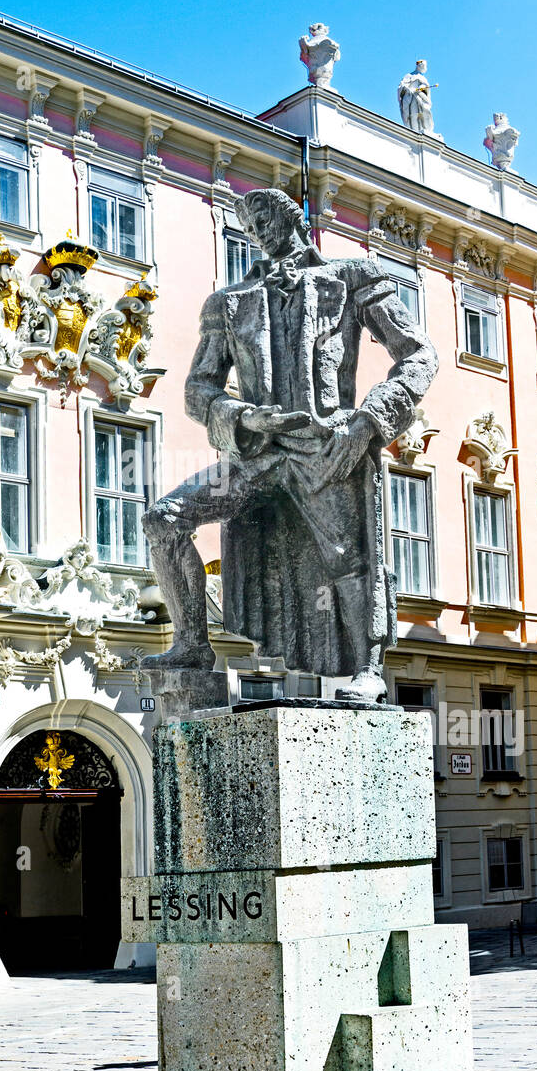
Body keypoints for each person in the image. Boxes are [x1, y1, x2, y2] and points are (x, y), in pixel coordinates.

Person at [142, 188, 437, 702]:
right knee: (164, 518)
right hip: (256, 450)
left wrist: (367, 421)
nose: (255, 231)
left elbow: (418, 355)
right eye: (247, 225)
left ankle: (367, 667)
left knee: (348, 555)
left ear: (289, 216)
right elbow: (198, 390)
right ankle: (191, 642)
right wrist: (239, 415)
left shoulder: (352, 278)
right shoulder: (228, 304)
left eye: (261, 217)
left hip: (325, 445)